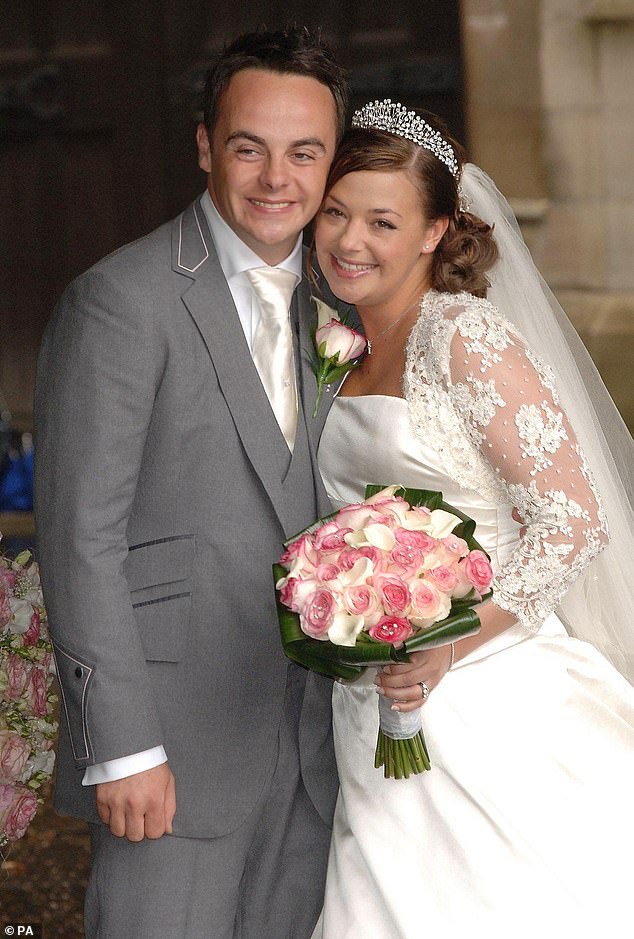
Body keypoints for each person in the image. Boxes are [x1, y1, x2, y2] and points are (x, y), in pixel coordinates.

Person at [33, 27, 349, 939]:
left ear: (332, 162)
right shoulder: (120, 301)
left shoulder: (343, 305)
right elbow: (79, 536)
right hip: (169, 749)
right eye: (249, 147)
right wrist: (122, 742)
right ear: (206, 145)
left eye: (305, 153)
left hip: (320, 742)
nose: (275, 179)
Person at [311, 100, 634, 938]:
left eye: (383, 220)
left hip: (486, 693)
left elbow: (573, 520)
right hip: (371, 701)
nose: (350, 240)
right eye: (337, 211)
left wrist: (446, 642)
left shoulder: (465, 339)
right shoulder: (334, 346)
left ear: (434, 232)